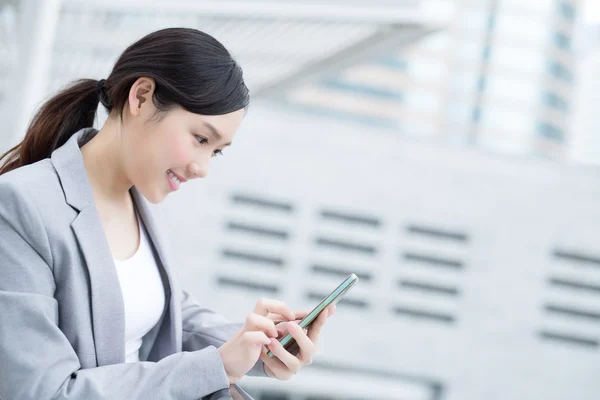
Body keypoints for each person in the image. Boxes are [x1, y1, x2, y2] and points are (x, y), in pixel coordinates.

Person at [0, 27, 335, 399]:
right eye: (201, 139)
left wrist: (260, 343)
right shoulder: (20, 206)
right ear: (141, 97)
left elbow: (167, 318)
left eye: (216, 151)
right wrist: (216, 366)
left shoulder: (141, 201)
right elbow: (42, 392)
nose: (202, 167)